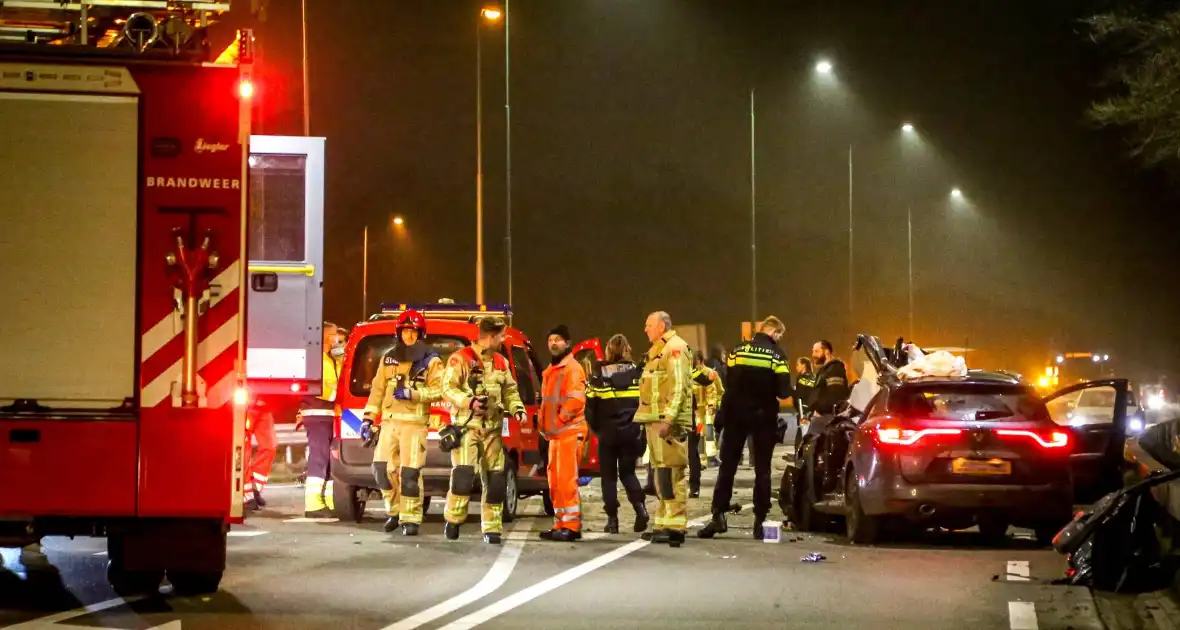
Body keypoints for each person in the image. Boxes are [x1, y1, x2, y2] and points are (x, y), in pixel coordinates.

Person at [699, 316, 791, 540]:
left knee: (727, 467)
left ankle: (718, 516)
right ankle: (759, 522)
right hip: (763, 418)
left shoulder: (737, 350)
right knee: (762, 470)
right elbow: (784, 392)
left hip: (735, 415)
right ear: (775, 333)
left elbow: (730, 383)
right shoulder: (777, 356)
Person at [441, 316, 528, 545]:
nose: (502, 339)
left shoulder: (501, 361)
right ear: (491, 336)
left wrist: (517, 409)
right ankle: (453, 519)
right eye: (500, 336)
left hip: (493, 429)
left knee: (496, 479)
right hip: (467, 427)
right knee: (463, 476)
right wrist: (469, 402)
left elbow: (510, 390)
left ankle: (492, 528)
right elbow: (447, 388)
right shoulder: (460, 359)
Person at [360, 310, 444, 536]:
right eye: (405, 331)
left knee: (410, 473)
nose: (408, 336)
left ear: (420, 334)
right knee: (381, 470)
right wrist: (368, 419)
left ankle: (411, 518)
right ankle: (394, 512)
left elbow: (439, 391)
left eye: (413, 332)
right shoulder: (388, 357)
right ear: (399, 333)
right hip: (388, 424)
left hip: (414, 425)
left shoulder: (431, 360)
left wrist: (412, 394)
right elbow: (377, 390)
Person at [635, 311, 693, 547]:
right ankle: (663, 523)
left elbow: (680, 386)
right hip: (655, 419)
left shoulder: (675, 348)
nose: (645, 329)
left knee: (672, 472)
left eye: (648, 325)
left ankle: (675, 526)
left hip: (666, 422)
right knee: (661, 473)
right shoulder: (660, 349)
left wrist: (669, 419)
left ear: (661, 326)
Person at [586, 334, 650, 534]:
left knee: (609, 478)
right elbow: (646, 402)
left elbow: (590, 407)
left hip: (607, 434)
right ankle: (641, 509)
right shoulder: (638, 373)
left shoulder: (599, 375)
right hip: (631, 432)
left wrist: (597, 429)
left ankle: (612, 520)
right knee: (628, 473)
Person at [537, 325, 589, 541]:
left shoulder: (572, 368)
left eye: (558, 339)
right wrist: (544, 426)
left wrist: (558, 420)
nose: (553, 343)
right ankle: (561, 523)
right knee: (556, 482)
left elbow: (576, 400)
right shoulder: (552, 370)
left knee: (566, 481)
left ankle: (571, 525)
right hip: (556, 435)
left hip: (568, 432)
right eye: (550, 340)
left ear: (567, 343)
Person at [300, 322, 341, 518]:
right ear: (325, 337)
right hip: (317, 414)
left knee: (329, 459)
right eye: (333, 336)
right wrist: (339, 395)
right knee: (319, 457)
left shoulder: (329, 359)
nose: (336, 340)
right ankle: (314, 505)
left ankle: (331, 502)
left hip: (328, 414)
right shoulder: (317, 360)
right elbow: (321, 388)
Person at [692, 352, 725, 473]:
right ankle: (702, 458)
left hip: (708, 409)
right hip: (697, 411)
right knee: (700, 432)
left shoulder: (709, 373)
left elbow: (715, 390)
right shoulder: (692, 374)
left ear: (700, 361)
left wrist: (712, 405)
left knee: (709, 430)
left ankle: (711, 457)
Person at [809, 340, 851, 417]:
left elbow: (835, 396)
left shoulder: (835, 369)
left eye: (816, 351)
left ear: (827, 352)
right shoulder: (824, 371)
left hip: (827, 417)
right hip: (821, 416)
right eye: (813, 352)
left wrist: (819, 411)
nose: (813, 355)